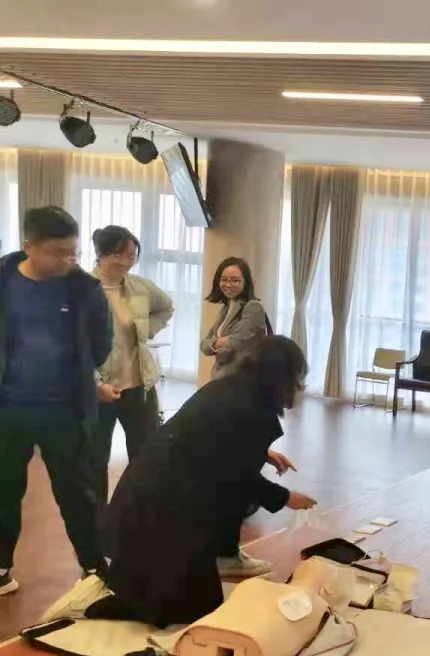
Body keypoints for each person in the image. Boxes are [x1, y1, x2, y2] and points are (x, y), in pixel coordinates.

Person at [41, 336, 318, 627]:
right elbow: (234, 475)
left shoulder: (229, 387)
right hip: (165, 506)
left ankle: (129, 595)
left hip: (150, 491)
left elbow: (215, 441)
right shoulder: (249, 407)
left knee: (187, 601)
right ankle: (98, 603)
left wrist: (263, 454)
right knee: (191, 612)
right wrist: (285, 497)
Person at [0, 206, 112, 598]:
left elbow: (101, 344)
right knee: (4, 491)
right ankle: (1, 568)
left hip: (64, 412)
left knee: (77, 493)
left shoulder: (84, 289)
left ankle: (95, 569)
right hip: (8, 410)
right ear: (28, 245)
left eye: (73, 252)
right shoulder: (3, 279)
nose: (68, 260)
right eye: (57, 252)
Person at [89, 225, 175, 506]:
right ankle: (98, 518)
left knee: (145, 455)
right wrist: (95, 382)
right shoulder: (84, 289)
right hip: (100, 391)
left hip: (139, 385)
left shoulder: (139, 286)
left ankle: (137, 511)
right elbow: (75, 345)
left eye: (132, 256)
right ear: (101, 253)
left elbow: (167, 306)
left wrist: (145, 331)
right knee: (95, 459)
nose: (126, 262)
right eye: (119, 255)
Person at [200, 257, 269, 379]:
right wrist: (220, 342)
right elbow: (204, 345)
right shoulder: (225, 309)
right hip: (220, 377)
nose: (228, 284)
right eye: (224, 280)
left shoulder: (253, 307)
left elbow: (238, 342)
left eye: (235, 280)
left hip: (242, 378)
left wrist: (215, 345)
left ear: (245, 282)